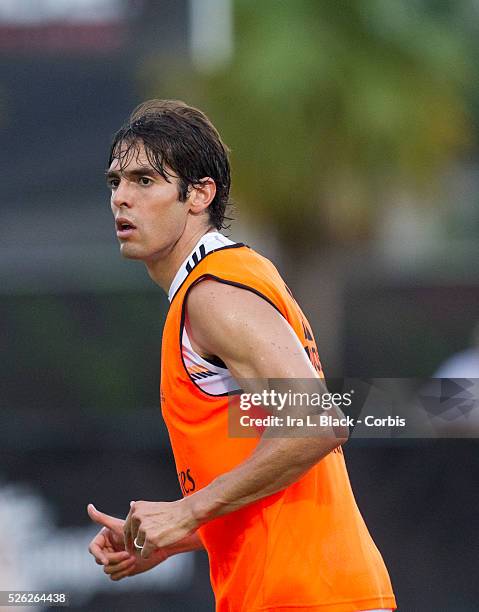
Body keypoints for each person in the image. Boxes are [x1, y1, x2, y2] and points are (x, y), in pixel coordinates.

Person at [87, 99, 397, 612]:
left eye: (145, 180)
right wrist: (176, 536)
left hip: (306, 597)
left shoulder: (213, 294)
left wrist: (186, 513)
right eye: (115, 181)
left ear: (199, 194)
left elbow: (317, 423)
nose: (122, 198)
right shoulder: (218, 283)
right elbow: (265, 470)